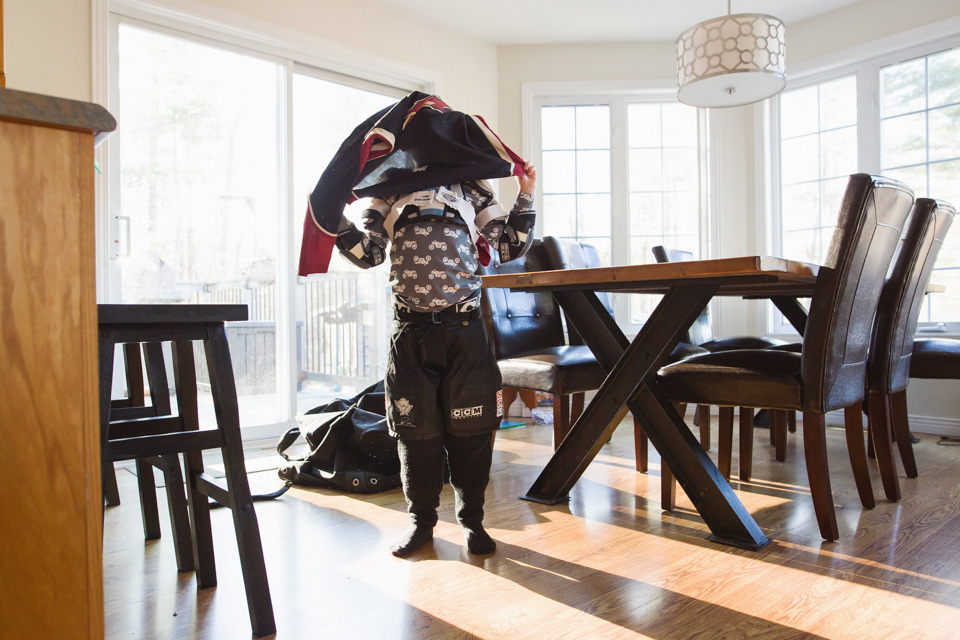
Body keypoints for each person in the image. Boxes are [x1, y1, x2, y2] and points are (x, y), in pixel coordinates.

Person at [334, 162, 537, 556]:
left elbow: (510, 245)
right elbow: (369, 254)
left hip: (465, 333)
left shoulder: (471, 188)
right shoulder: (389, 191)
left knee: (472, 433)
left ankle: (473, 522)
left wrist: (526, 191)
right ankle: (421, 523)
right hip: (410, 335)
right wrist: (336, 219)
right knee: (415, 434)